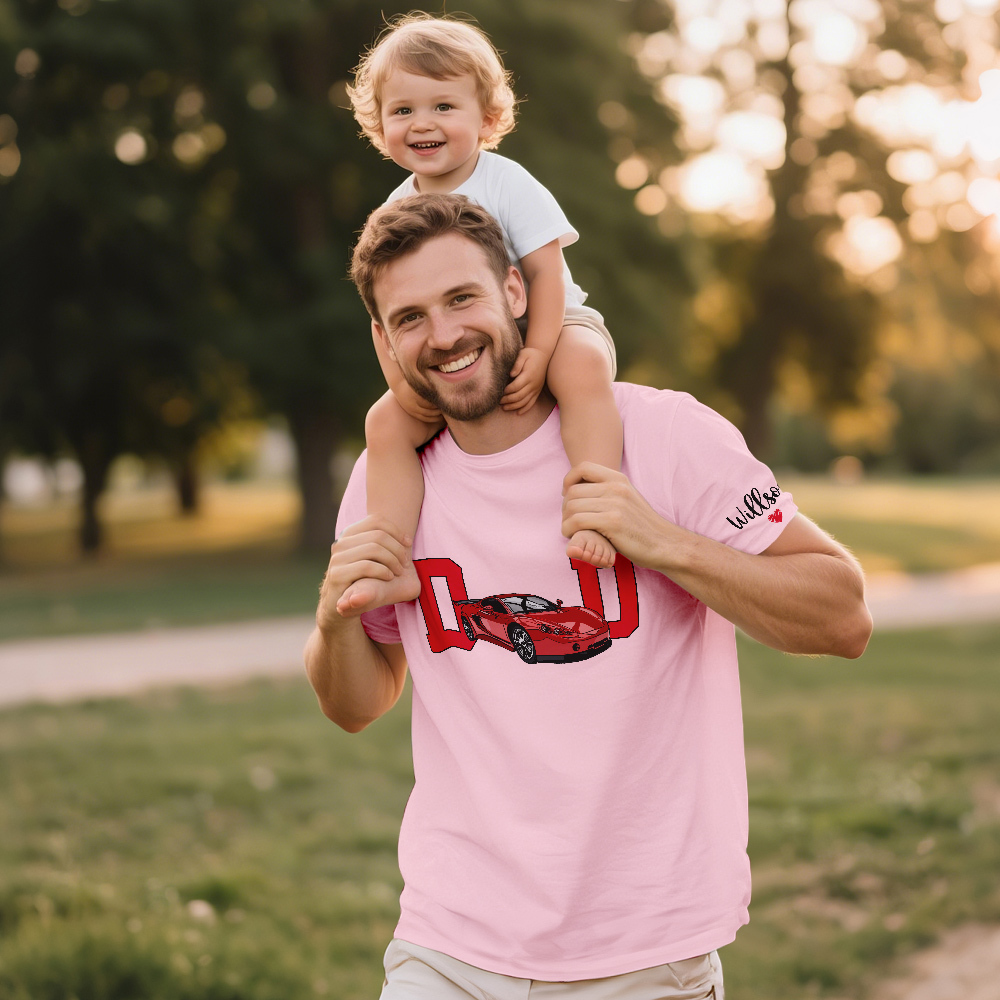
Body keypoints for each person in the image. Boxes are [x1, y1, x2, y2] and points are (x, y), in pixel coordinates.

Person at [304, 194, 872, 999]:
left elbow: (844, 615)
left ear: (513, 292)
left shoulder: (664, 434)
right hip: (450, 942)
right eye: (409, 317)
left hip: (642, 951)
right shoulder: (388, 483)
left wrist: (662, 541)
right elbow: (356, 704)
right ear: (382, 339)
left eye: (461, 298)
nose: (443, 336)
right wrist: (336, 617)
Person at [342, 12, 622, 617]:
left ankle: (599, 509)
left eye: (444, 106)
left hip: (553, 323)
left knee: (581, 369)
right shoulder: (394, 211)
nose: (422, 123)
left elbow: (544, 275)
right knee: (385, 424)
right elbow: (381, 314)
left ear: (487, 118)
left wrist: (539, 351)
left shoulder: (508, 183)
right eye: (403, 110)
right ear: (379, 124)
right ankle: (389, 557)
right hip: (460, 353)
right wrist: (401, 383)